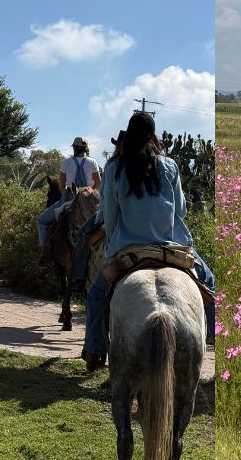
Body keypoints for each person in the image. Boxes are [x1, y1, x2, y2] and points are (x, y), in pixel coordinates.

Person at [81, 112, 215, 372]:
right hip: (171, 248)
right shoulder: (169, 165)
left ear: (128, 136)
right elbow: (182, 211)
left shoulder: (114, 167)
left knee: (96, 295)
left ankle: (95, 349)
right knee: (209, 286)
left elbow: (109, 216)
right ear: (154, 136)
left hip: (128, 251)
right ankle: (215, 343)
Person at [37, 136, 103, 250]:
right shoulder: (93, 162)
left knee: (41, 221)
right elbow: (98, 184)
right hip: (89, 198)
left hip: (69, 197)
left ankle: (44, 252)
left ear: (74, 148)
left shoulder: (66, 162)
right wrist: (87, 191)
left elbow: (62, 186)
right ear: (86, 149)